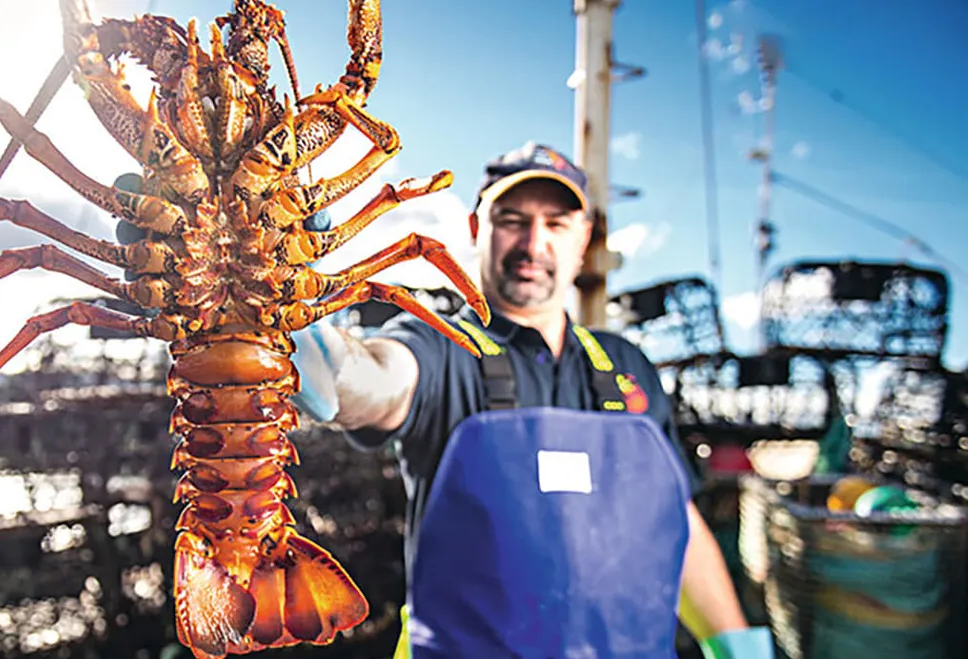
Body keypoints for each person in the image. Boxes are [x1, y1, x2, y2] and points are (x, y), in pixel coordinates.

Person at [289, 141, 774, 658]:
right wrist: (326, 360)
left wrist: (735, 644)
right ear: (478, 230)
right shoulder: (441, 344)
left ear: (582, 239)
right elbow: (380, 380)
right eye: (513, 220)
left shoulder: (627, 367)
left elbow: (673, 518)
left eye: (556, 224)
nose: (533, 243)